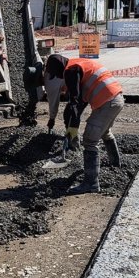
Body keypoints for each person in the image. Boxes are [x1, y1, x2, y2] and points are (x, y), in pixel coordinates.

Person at [43, 53, 125, 194]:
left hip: (107, 101)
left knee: (89, 140)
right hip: (117, 97)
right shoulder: (78, 64)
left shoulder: (70, 71)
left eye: (56, 74)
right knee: (104, 132)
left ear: (58, 68)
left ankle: (91, 184)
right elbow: (78, 103)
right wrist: (72, 124)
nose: (58, 77)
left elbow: (75, 102)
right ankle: (115, 165)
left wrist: (73, 128)